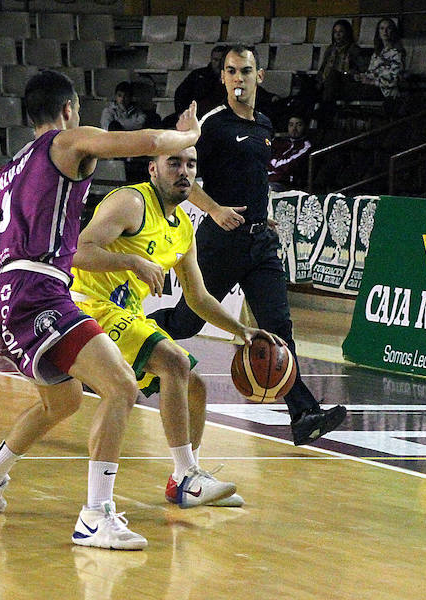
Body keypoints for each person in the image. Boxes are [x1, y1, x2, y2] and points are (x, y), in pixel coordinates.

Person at [0, 69, 200, 551]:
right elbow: (145, 142)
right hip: (39, 290)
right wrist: (189, 134)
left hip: (10, 296)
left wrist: (6, 283)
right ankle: (95, 515)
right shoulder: (67, 143)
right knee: (121, 385)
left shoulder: (7, 171)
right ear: (68, 110)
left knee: (62, 402)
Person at [147, 45, 347, 446]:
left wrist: (261, 212)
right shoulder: (212, 125)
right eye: (232, 71)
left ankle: (304, 414)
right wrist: (216, 209)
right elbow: (180, 178)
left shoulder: (265, 124)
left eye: (246, 71)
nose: (239, 78)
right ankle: (115, 343)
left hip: (260, 242)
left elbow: (253, 177)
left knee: (278, 328)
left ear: (260, 76)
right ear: (223, 78)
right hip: (220, 242)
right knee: (187, 323)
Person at [71, 147, 278, 508]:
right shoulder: (131, 202)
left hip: (127, 313)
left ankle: (184, 476)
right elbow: (78, 251)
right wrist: (132, 261)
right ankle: (186, 477)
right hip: (89, 306)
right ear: (153, 169)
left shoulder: (183, 228)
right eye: (174, 163)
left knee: (194, 387)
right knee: (174, 363)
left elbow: (197, 297)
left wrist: (243, 331)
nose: (184, 172)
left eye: (191, 165)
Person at [346, 18, 405, 100]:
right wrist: (361, 77)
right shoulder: (377, 53)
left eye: (388, 28)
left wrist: (372, 82)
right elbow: (371, 72)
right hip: (372, 86)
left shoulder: (397, 53)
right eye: (382, 28)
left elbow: (394, 79)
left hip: (385, 91)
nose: (385, 31)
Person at [315, 19, 367, 103]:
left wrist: (349, 73)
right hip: (327, 83)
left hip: (345, 83)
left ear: (347, 33)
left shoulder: (354, 50)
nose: (337, 35)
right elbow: (323, 69)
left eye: (341, 32)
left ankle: (324, 109)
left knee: (333, 74)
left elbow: (362, 69)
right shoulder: (330, 49)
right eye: (335, 32)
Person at [174, 45, 227, 117]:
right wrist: (182, 112)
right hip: (195, 115)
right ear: (211, 59)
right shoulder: (197, 74)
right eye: (215, 60)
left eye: (221, 60)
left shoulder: (232, 78)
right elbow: (180, 94)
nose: (218, 64)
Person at [268, 115, 313, 192]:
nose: (294, 128)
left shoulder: (305, 145)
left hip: (285, 183)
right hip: (268, 179)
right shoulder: (279, 142)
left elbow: (289, 165)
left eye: (298, 125)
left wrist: (271, 170)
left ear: (304, 127)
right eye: (291, 125)